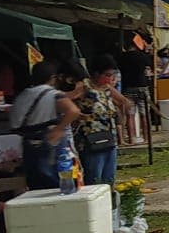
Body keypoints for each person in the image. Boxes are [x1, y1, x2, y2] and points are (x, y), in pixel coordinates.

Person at [9, 58, 82, 190]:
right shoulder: (53, 94)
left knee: (37, 185)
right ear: (53, 78)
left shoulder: (23, 95)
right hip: (50, 143)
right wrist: (59, 129)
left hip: (28, 144)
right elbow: (73, 111)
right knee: (57, 183)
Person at [75, 55, 131, 193]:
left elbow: (124, 102)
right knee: (94, 179)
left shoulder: (106, 88)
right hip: (91, 140)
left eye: (112, 75)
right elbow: (65, 98)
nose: (110, 78)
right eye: (107, 75)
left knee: (109, 179)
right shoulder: (85, 86)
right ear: (96, 73)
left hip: (108, 138)